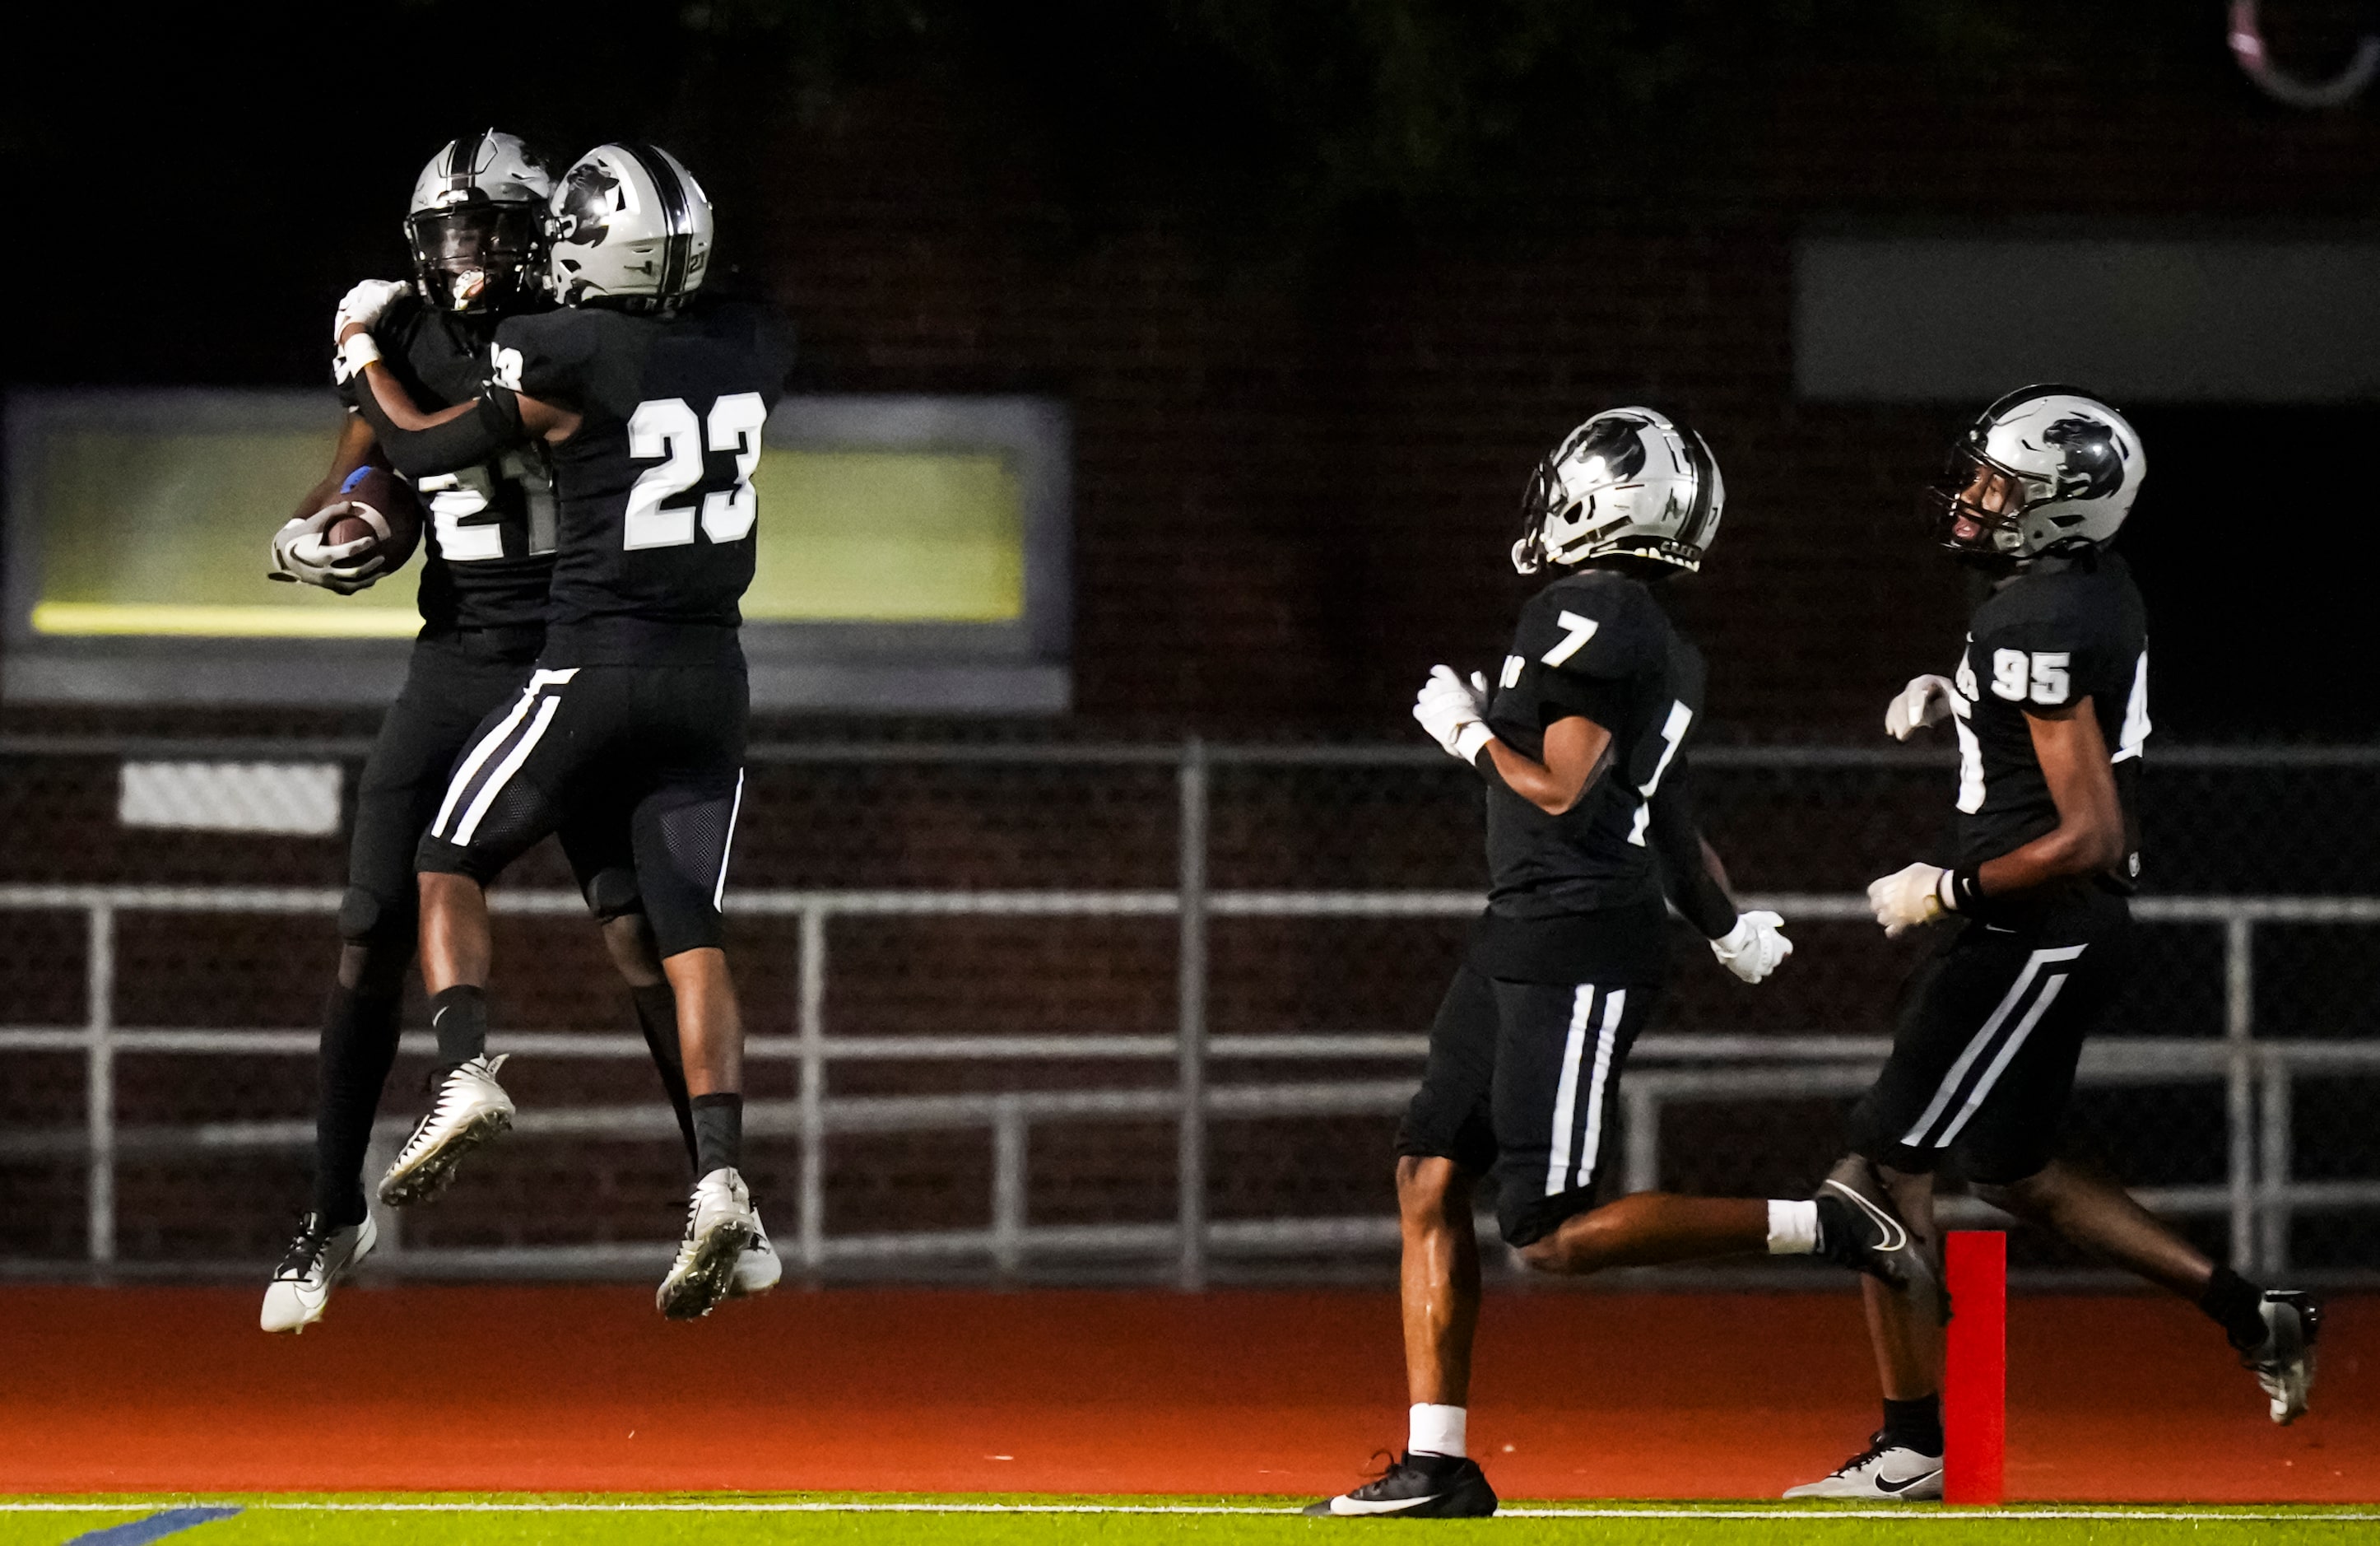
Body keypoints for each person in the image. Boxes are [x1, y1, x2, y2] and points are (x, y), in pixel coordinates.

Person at [1307, 408, 1932, 1520]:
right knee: (1428, 1172)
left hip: (1579, 934)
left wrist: (1461, 732)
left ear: (1599, 499)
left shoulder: (1585, 606)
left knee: (1546, 1229)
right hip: (1528, 923)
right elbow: (1671, 817)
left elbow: (1562, 784)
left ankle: (1830, 1223)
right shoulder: (1651, 627)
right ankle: (1439, 1462)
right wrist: (1724, 921)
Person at [260, 132, 776, 1334]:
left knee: (642, 931)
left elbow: (439, 437)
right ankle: (333, 1206)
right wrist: (340, 531)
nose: (473, 257)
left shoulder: (577, 327)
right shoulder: (419, 339)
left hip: (570, 650)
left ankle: (722, 1192)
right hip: (463, 658)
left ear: (548, 235)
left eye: (496, 230)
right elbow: (373, 476)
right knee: (368, 926)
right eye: (453, 234)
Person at [1784, 386, 2320, 1501]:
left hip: (2033, 923)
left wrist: (1949, 885)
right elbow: (2071, 726)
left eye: (2004, 487)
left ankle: (1912, 1445)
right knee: (2013, 1168)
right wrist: (1968, 701)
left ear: (2067, 508)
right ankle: (2250, 1310)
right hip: (2055, 927)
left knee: (1878, 1168)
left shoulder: (2032, 615)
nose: (1977, 499)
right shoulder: (2079, 592)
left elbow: (2089, 830)